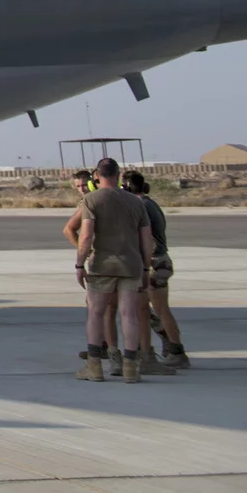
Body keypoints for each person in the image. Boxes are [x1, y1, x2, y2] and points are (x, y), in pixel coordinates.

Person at [72, 157, 155, 383]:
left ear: (96, 177)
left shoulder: (91, 199)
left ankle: (94, 366)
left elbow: (86, 236)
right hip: (131, 264)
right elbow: (147, 239)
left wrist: (80, 264)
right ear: (118, 175)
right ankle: (130, 367)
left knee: (96, 313)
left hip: (103, 264)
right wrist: (146, 267)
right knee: (129, 314)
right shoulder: (136, 202)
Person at [122, 171, 188, 370]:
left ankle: (176, 351)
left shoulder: (141, 206)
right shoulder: (149, 203)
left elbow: (148, 238)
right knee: (147, 309)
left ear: (126, 187)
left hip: (153, 262)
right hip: (159, 261)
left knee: (158, 310)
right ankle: (151, 351)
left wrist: (143, 265)